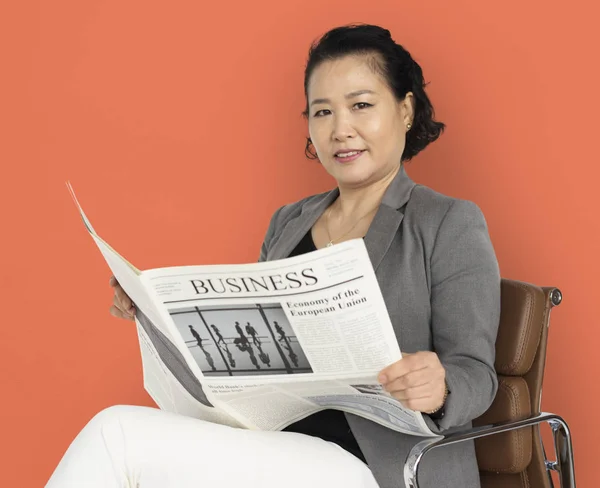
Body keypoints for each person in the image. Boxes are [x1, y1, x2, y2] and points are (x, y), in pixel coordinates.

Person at [46, 23, 500, 488]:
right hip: (272, 446)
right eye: (322, 112)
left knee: (116, 434)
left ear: (405, 111)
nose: (341, 129)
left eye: (361, 105)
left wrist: (439, 386)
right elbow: (246, 360)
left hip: (379, 467)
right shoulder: (289, 223)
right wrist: (154, 314)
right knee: (123, 443)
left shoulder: (448, 221)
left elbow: (478, 375)